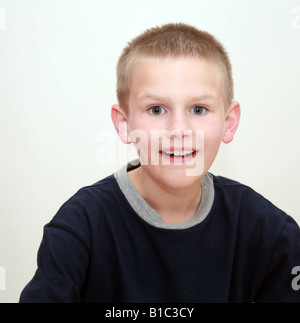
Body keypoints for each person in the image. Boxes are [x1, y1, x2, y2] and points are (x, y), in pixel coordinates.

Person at [19, 23, 300, 303]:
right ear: (125, 124)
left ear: (228, 122)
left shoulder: (269, 231)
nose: (179, 129)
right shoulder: (80, 226)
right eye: (156, 109)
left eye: (198, 109)